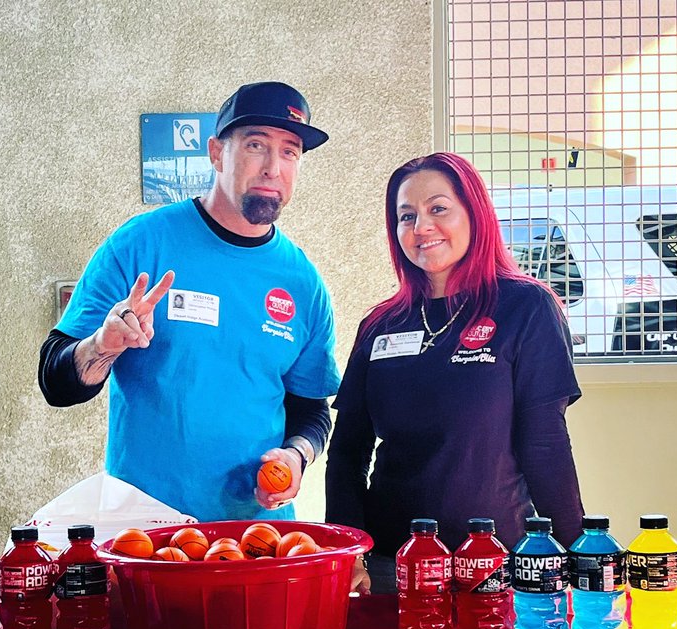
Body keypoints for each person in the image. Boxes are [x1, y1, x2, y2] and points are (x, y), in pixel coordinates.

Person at [38, 82, 340, 521]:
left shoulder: (304, 284)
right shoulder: (140, 245)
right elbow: (55, 381)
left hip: (255, 538)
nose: (274, 167)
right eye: (256, 145)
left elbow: (311, 408)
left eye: (290, 151)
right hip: (143, 530)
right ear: (217, 153)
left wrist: (296, 456)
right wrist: (103, 345)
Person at [325, 152, 584, 593]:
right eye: (406, 216)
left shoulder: (526, 307)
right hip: (395, 566)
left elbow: (545, 442)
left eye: (438, 209)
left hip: (495, 564)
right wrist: (347, 552)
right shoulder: (381, 325)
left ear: (475, 213)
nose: (421, 227)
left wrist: (575, 551)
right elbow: (348, 451)